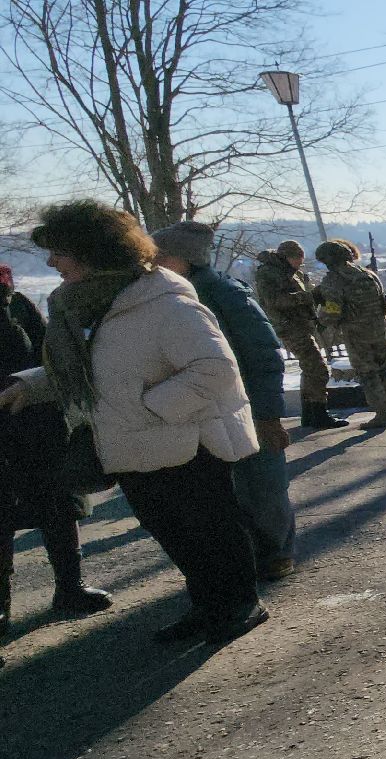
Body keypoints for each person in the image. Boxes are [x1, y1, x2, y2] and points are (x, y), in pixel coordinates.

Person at [0, 201, 265, 644]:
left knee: (212, 533)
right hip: (131, 446)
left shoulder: (163, 301)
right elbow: (91, 369)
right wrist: (29, 385)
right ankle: (207, 607)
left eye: (60, 253)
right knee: (175, 535)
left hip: (188, 445)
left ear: (93, 252)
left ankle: (240, 605)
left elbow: (214, 369)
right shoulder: (81, 306)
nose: (51, 263)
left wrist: (152, 410)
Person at [152, 223, 299, 580]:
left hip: (246, 407)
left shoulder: (224, 294)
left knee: (261, 485)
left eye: (160, 255)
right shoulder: (173, 296)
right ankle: (247, 555)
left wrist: (267, 416)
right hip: (208, 411)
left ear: (182, 259)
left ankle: (275, 552)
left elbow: (263, 355)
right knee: (228, 492)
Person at [0, 263, 113, 638]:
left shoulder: (18, 305)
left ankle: (70, 587)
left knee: (58, 507)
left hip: (38, 425)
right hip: (12, 429)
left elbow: (46, 352)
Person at [253, 240, 346, 430]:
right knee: (318, 369)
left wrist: (315, 295)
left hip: (301, 325)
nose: (299, 264)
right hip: (289, 327)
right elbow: (273, 301)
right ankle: (319, 414)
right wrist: (306, 298)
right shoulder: (268, 273)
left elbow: (304, 292)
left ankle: (311, 415)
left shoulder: (291, 273)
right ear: (286, 257)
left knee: (310, 369)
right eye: (297, 259)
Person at [314, 239, 386, 430]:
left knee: (368, 373)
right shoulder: (368, 274)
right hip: (380, 329)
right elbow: (382, 301)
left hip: (356, 333)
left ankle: (382, 414)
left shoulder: (334, 280)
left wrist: (320, 319)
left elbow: (332, 311)